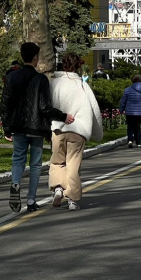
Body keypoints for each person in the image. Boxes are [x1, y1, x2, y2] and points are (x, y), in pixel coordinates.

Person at [1, 42, 72, 213]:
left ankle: (16, 183)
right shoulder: (41, 79)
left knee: (18, 159)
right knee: (35, 165)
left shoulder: (11, 78)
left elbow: (5, 105)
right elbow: (44, 107)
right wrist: (63, 116)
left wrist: (6, 127)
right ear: (35, 58)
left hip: (17, 126)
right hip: (36, 128)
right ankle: (31, 200)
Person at [49, 53, 104, 211]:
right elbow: (94, 109)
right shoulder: (82, 85)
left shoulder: (55, 83)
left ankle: (58, 188)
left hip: (58, 128)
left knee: (57, 160)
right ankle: (72, 199)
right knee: (73, 164)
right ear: (78, 66)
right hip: (78, 131)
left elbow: (48, 105)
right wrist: (97, 132)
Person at [120, 74, 141, 148]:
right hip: (140, 112)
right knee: (137, 127)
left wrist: (121, 109)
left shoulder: (127, 90)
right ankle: (138, 142)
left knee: (130, 126)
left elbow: (123, 101)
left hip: (130, 112)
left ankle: (130, 140)